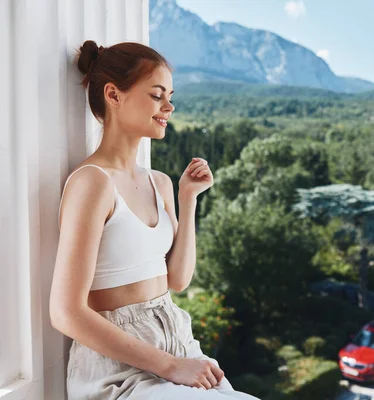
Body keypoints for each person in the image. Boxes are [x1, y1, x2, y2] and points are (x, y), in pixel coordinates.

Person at [49, 40, 260, 400]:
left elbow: (177, 279)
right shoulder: (92, 183)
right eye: (157, 95)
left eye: (170, 96)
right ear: (114, 95)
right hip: (121, 373)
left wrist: (187, 199)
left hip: (180, 347)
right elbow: (66, 312)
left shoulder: (159, 182)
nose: (169, 106)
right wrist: (170, 366)